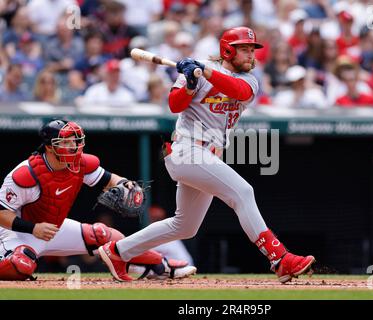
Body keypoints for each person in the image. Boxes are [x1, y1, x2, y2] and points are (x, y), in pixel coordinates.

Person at [97, 26, 315, 283]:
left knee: (185, 226)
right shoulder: (196, 73)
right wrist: (190, 84)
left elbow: (238, 91)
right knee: (243, 193)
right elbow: (174, 104)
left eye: (252, 50)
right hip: (186, 149)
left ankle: (118, 251)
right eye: (244, 49)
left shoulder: (249, 80)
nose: (250, 55)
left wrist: (205, 72)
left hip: (208, 154)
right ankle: (280, 259)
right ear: (228, 50)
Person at [0, 119, 196, 281]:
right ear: (50, 147)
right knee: (20, 266)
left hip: (52, 228)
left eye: (75, 141)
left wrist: (126, 184)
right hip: (18, 233)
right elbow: (1, 214)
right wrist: (33, 229)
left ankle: (160, 267)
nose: (73, 146)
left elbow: (109, 179)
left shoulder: (79, 163)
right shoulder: (26, 174)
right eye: (66, 142)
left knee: (104, 235)